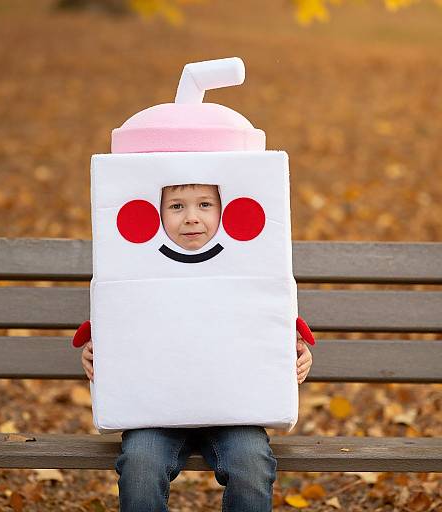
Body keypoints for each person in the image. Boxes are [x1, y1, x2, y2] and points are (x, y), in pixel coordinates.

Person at [81, 184, 313, 512]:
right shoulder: (136, 272)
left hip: (234, 412)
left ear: (225, 210)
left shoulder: (248, 268)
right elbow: (121, 323)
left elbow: (270, 325)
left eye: (205, 204)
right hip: (154, 411)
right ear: (155, 213)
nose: (191, 218)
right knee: (140, 465)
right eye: (176, 206)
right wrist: (97, 351)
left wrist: (298, 354)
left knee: (251, 465)